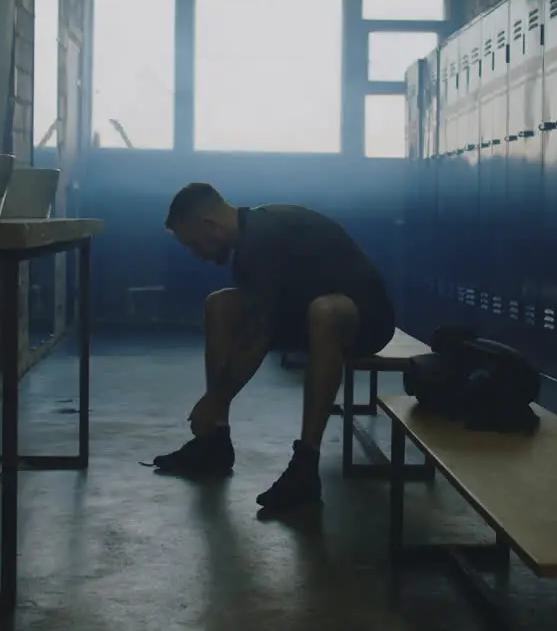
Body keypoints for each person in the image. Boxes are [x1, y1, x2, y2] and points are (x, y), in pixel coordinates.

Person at [151, 182, 396, 513]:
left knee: (323, 312)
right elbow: (256, 323)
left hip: (365, 318)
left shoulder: (264, 238)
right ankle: (214, 443)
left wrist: (215, 398)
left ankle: (306, 468)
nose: (197, 255)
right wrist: (216, 403)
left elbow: (258, 336)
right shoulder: (249, 240)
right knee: (221, 305)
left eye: (194, 244)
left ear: (210, 226)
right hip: (305, 313)